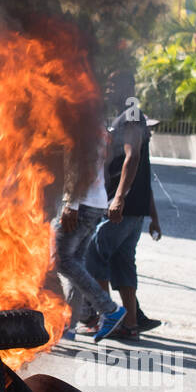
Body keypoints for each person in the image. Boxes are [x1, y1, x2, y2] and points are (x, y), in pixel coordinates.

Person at [84, 73, 161, 342]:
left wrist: (118, 197)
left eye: (113, 85)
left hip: (121, 209)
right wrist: (153, 214)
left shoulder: (130, 115)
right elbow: (145, 171)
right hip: (133, 209)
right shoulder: (132, 116)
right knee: (123, 263)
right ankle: (129, 324)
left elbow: (133, 156)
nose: (108, 89)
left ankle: (109, 318)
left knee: (94, 256)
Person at [50, 124, 126, 342]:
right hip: (95, 201)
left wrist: (71, 204)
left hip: (81, 203)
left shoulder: (80, 124)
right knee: (76, 262)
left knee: (60, 259)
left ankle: (109, 309)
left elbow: (78, 164)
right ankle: (69, 326)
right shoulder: (99, 127)